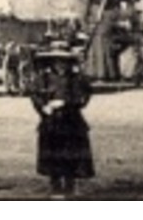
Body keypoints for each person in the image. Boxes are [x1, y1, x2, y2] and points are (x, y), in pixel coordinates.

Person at [30, 38, 94, 198]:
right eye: (57, 61)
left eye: (64, 61)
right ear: (52, 61)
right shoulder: (44, 78)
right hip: (51, 122)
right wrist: (43, 107)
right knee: (53, 154)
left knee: (71, 155)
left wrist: (70, 103)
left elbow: (85, 95)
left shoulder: (76, 78)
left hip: (71, 121)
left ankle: (70, 185)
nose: (61, 65)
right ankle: (55, 185)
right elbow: (35, 95)